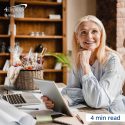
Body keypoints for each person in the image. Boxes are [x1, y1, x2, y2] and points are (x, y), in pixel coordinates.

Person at [42, 15, 125, 113]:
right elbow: (73, 90)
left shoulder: (112, 61)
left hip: (111, 116)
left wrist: (86, 67)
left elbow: (97, 101)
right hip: (89, 112)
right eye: (83, 32)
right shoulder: (79, 59)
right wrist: (64, 100)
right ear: (77, 38)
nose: (89, 37)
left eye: (94, 31)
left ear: (101, 35)